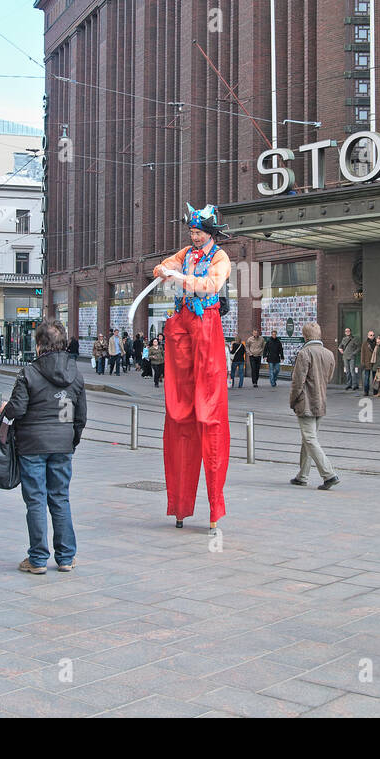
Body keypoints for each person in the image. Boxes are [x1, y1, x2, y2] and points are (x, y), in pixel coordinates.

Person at [153, 203, 232, 534]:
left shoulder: (220, 258)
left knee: (209, 412)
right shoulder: (186, 251)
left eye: (198, 231)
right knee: (179, 412)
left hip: (206, 325)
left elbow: (211, 286)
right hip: (182, 324)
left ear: (211, 233)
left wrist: (180, 277)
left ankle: (214, 509)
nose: (194, 236)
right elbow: (161, 267)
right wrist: (164, 271)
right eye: (191, 231)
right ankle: (180, 506)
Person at [0, 320, 87, 573]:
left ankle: (38, 559)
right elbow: (79, 416)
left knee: (36, 500)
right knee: (60, 499)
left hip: (32, 445)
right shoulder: (75, 374)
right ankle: (66, 557)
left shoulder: (29, 372)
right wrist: (70, 439)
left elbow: (17, 409)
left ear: (39, 345)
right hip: (62, 445)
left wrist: (5, 412)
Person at [289, 322, 339, 490]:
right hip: (321, 401)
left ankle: (328, 474)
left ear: (305, 336)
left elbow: (297, 382)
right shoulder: (329, 354)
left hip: (306, 403)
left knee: (310, 439)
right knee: (308, 439)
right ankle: (302, 476)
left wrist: (293, 400)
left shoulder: (305, 353)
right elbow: (329, 377)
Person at [359, 330, 377, 396]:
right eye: (370, 335)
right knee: (366, 378)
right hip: (367, 363)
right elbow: (362, 354)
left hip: (375, 363)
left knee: (375, 378)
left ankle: (375, 391)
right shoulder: (365, 344)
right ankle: (366, 391)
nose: (372, 336)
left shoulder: (376, 343)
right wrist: (362, 362)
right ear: (368, 336)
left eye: (373, 335)